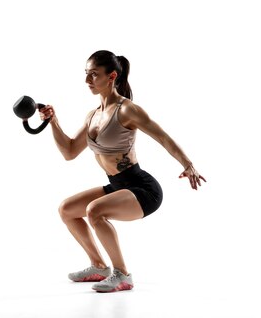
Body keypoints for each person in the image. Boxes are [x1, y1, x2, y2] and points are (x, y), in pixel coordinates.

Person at [38, 50, 206, 293]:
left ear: (112, 76)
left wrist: (188, 165)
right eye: (86, 74)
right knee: (67, 209)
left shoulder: (127, 110)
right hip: (117, 185)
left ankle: (122, 275)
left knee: (94, 210)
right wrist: (53, 122)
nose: (88, 81)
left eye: (94, 75)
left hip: (142, 189)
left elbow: (163, 138)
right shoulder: (93, 116)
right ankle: (98, 266)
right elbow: (69, 152)